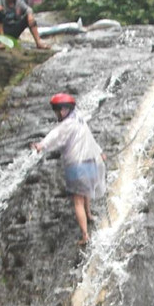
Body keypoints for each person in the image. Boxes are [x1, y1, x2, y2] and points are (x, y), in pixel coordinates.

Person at [32, 93, 106, 246]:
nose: (59, 113)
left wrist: (41, 145)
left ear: (68, 109)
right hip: (90, 161)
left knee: (77, 200)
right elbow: (90, 138)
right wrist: (99, 152)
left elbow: (54, 135)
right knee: (85, 192)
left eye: (61, 109)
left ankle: (85, 235)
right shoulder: (79, 120)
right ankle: (89, 215)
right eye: (57, 110)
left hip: (76, 166)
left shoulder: (66, 125)